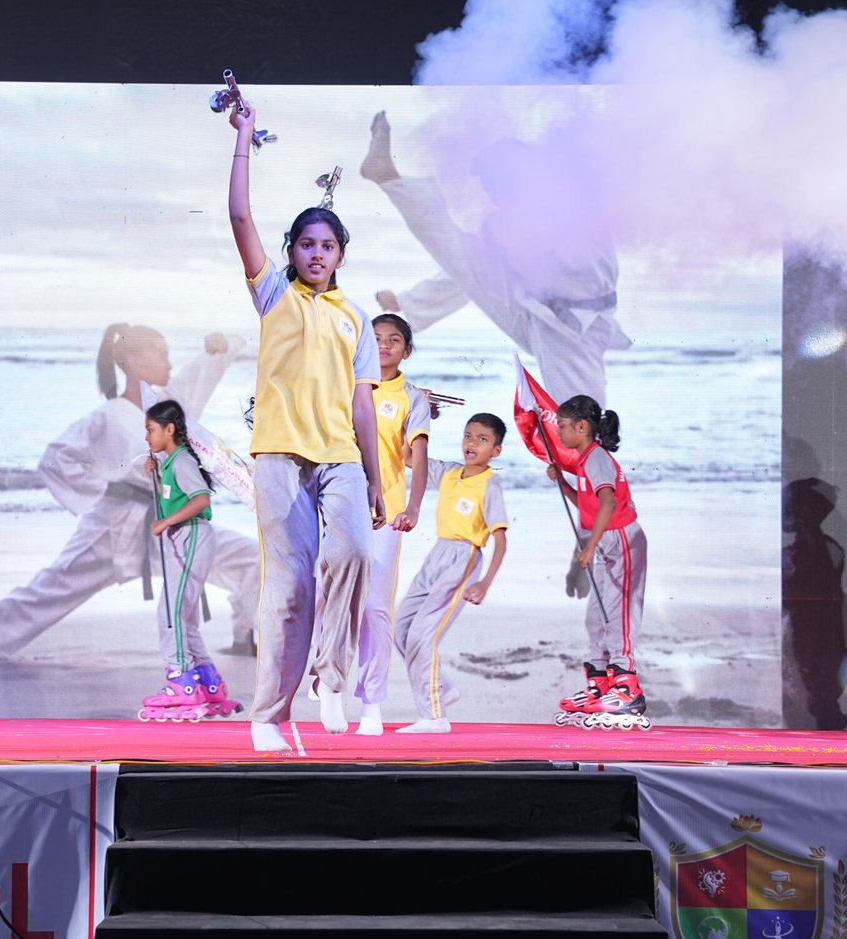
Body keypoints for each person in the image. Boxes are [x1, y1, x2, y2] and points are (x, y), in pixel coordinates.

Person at [0, 325, 258, 671]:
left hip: (170, 523)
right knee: (49, 591)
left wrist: (216, 349)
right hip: (114, 527)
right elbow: (57, 459)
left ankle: (247, 635)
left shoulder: (170, 406)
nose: (169, 362)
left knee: (250, 558)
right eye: (159, 353)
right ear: (131, 360)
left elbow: (202, 373)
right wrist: (105, 489)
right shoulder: (107, 416)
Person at [227, 96, 385, 753]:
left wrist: (377, 479)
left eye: (328, 245)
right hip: (280, 459)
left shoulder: (356, 319)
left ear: (341, 254)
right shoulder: (274, 295)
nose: (317, 253)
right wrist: (242, 136)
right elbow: (240, 216)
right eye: (307, 244)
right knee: (289, 587)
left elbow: (363, 406)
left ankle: (330, 675)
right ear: (292, 250)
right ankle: (268, 714)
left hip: (342, 457)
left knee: (353, 554)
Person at [359, 111, 629, 407]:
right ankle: (388, 178)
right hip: (538, 314)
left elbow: (578, 268)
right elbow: (468, 271)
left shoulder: (563, 210)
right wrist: (407, 301)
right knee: (466, 255)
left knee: (581, 416)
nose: (491, 194)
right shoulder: (515, 220)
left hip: (571, 329)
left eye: (494, 185)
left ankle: (388, 178)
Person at [309, 313, 431, 735]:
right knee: (324, 595)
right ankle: (323, 672)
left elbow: (418, 459)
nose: (383, 345)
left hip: (387, 514)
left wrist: (413, 508)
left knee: (376, 608)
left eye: (394, 340)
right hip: (338, 507)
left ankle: (371, 705)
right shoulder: (343, 385)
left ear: (406, 351)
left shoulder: (412, 398)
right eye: (375, 338)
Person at [392, 413, 509, 735]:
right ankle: (441, 688)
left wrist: (484, 583)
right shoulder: (449, 473)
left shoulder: (490, 486)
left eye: (482, 439)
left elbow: (500, 540)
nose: (472, 443)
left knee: (423, 636)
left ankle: (434, 716)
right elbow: (407, 457)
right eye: (468, 436)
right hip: (437, 555)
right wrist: (415, 415)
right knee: (402, 629)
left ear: (496, 450)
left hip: (464, 559)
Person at [547, 395, 649, 726]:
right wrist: (563, 483)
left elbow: (608, 502)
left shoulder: (597, 458)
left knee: (619, 613)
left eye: (562, 426)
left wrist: (589, 547)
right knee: (597, 615)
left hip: (622, 540)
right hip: (605, 541)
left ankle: (626, 687)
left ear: (582, 427)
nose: (558, 432)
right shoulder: (584, 461)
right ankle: (600, 683)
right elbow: (588, 504)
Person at [138, 400, 241, 721]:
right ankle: (207, 683)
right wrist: (156, 478)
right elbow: (173, 498)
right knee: (182, 615)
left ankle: (180, 681)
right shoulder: (171, 463)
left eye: (150, 430)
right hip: (183, 537)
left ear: (169, 429)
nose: (147, 437)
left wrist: (165, 523)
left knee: (171, 612)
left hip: (191, 534)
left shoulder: (182, 461)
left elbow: (201, 500)